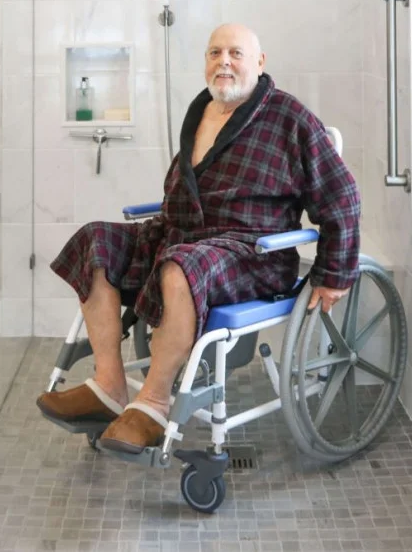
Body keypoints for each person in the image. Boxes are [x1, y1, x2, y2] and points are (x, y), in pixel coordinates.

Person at [36, 23, 361, 455]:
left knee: (181, 266)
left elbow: (343, 196)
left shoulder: (291, 119)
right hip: (181, 237)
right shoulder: (204, 109)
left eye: (235, 53)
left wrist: (334, 271)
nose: (223, 61)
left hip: (252, 253)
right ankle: (110, 386)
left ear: (260, 62)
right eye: (214, 53)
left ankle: (152, 403)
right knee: (96, 241)